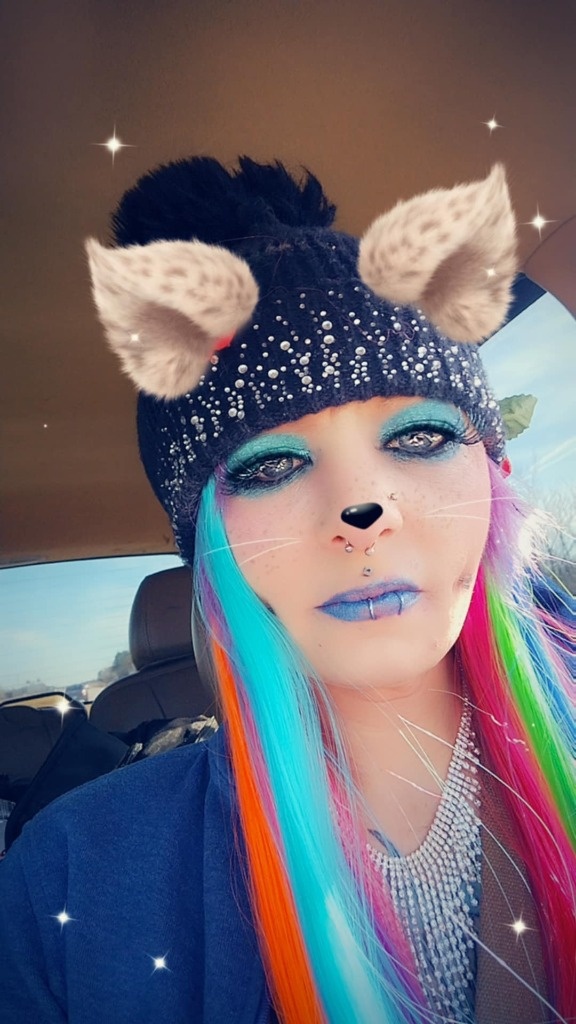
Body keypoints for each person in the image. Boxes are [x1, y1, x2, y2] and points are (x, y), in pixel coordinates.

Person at [0, 157, 574, 1024]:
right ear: (209, 547)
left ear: (494, 477)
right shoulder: (70, 877)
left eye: (420, 436)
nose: (360, 512)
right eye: (269, 465)